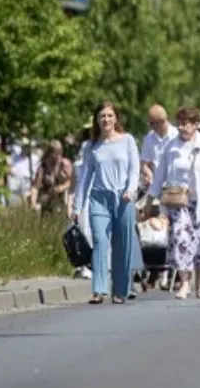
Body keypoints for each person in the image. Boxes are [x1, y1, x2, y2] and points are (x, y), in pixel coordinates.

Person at [149, 108, 200, 300]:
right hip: (179, 203)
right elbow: (159, 175)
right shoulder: (171, 147)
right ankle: (185, 282)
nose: (182, 127)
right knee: (181, 239)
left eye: (186, 123)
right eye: (180, 123)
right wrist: (150, 200)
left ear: (195, 125)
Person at [72, 101, 140, 304]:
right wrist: (77, 206)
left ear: (116, 118)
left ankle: (120, 290)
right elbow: (84, 177)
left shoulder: (127, 140)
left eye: (110, 115)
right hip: (99, 198)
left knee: (122, 244)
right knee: (100, 241)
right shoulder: (92, 146)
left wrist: (131, 190)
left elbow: (134, 169)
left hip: (123, 198)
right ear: (97, 120)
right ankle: (99, 289)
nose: (106, 119)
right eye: (102, 116)